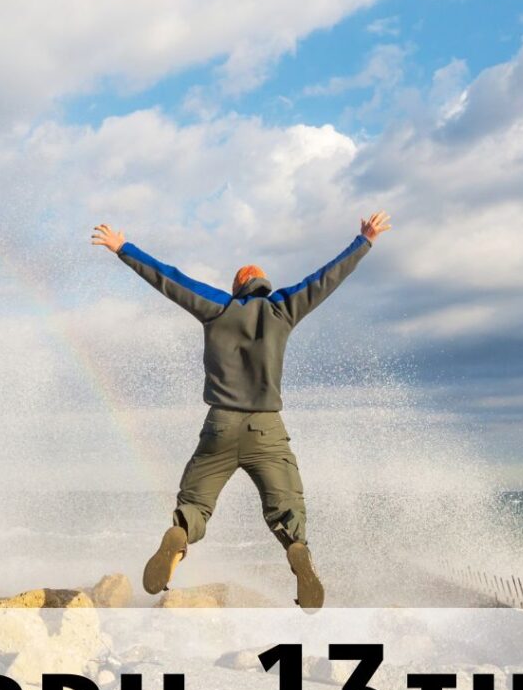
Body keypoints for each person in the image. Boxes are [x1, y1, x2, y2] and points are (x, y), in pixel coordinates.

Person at [91, 211, 391, 608]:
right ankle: (296, 549)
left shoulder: (218, 308)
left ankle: (179, 537)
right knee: (287, 507)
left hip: (219, 425)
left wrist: (123, 249)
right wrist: (363, 242)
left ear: (236, 288)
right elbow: (325, 279)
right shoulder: (282, 309)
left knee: (195, 504)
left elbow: (171, 280)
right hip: (267, 429)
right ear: (264, 286)